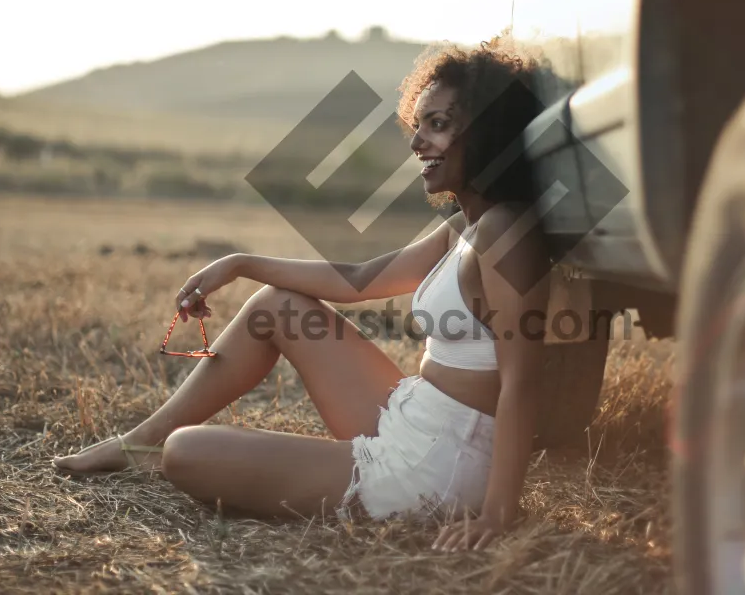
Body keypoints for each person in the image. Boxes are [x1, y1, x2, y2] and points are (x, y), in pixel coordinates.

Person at [54, 38, 552, 552]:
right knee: (277, 305)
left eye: (439, 124)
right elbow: (358, 278)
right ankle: (137, 442)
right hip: (417, 416)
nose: (417, 142)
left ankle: (153, 447)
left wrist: (497, 515)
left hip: (440, 463)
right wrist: (240, 264)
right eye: (418, 123)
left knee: (184, 454)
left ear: (487, 132)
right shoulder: (464, 228)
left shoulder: (506, 234)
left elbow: (524, 381)